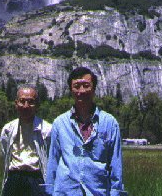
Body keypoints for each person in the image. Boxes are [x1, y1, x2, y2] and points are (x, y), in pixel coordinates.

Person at [46, 67, 127, 196]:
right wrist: (49, 191)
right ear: (71, 90)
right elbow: (52, 163)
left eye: (86, 86)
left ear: (94, 89)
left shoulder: (110, 123)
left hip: (97, 191)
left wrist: (116, 192)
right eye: (76, 86)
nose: (81, 91)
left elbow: (116, 165)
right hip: (66, 191)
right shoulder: (60, 123)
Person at [0, 87, 52, 196]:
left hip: (36, 178)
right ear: (16, 104)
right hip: (14, 178)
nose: (26, 106)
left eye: (31, 102)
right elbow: (5, 153)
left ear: (37, 105)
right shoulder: (8, 129)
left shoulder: (47, 129)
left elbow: (50, 157)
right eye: (22, 101)